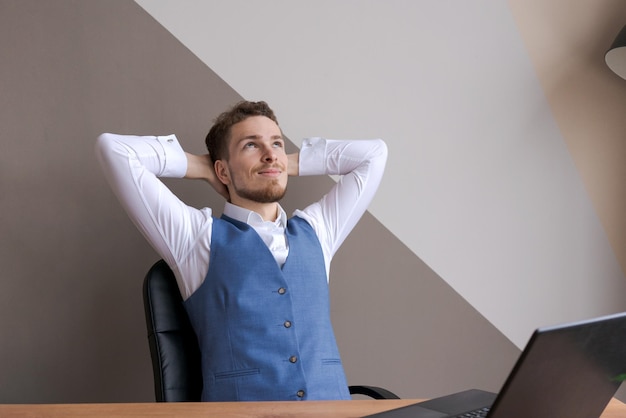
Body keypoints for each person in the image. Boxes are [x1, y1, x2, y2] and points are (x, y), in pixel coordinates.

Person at [95, 100, 387, 402]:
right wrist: (202, 166)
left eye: (276, 143)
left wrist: (283, 163)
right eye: (251, 145)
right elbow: (114, 150)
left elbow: (375, 155)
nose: (270, 153)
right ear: (222, 170)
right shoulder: (195, 237)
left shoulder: (320, 230)